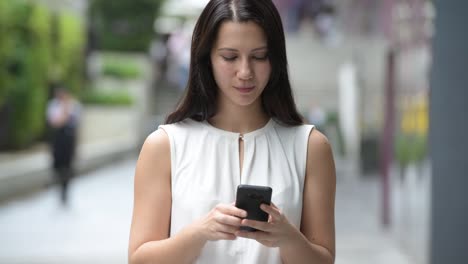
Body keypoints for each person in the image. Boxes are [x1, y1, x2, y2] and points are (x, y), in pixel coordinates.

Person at [128, 0, 336, 263]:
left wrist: (287, 237)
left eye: (259, 56)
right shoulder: (165, 146)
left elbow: (324, 259)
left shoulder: (310, 147)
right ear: (207, 59)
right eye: (230, 57)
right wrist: (199, 232)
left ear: (275, 59)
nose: (245, 72)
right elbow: (139, 259)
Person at [46, 87, 81, 205]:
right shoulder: (53, 105)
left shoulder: (74, 105)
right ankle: (60, 186)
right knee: (57, 164)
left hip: (69, 140)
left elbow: (77, 124)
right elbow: (55, 122)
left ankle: (65, 189)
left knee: (68, 165)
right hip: (58, 139)